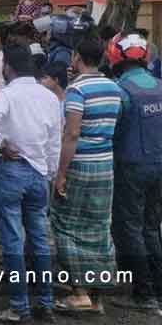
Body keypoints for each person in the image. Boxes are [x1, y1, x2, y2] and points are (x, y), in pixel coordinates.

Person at [0, 46, 61, 323]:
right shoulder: (49, 97)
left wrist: (1, 143)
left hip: (11, 172)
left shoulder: (8, 94)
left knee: (13, 242)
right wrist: (50, 174)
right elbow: (55, 141)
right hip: (39, 174)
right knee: (40, 241)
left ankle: (19, 307)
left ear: (8, 67)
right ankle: (46, 303)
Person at [51, 39, 120, 314]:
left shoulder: (76, 89)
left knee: (65, 225)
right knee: (99, 226)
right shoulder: (114, 87)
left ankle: (79, 293)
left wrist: (61, 174)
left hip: (80, 165)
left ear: (77, 57)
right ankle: (96, 295)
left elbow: (72, 134)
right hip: (105, 166)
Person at [106, 33, 162, 313]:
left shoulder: (120, 91)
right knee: (151, 227)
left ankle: (143, 294)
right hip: (158, 166)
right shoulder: (160, 86)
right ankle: (157, 289)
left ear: (115, 57)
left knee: (129, 228)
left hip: (130, 168)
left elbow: (111, 130)